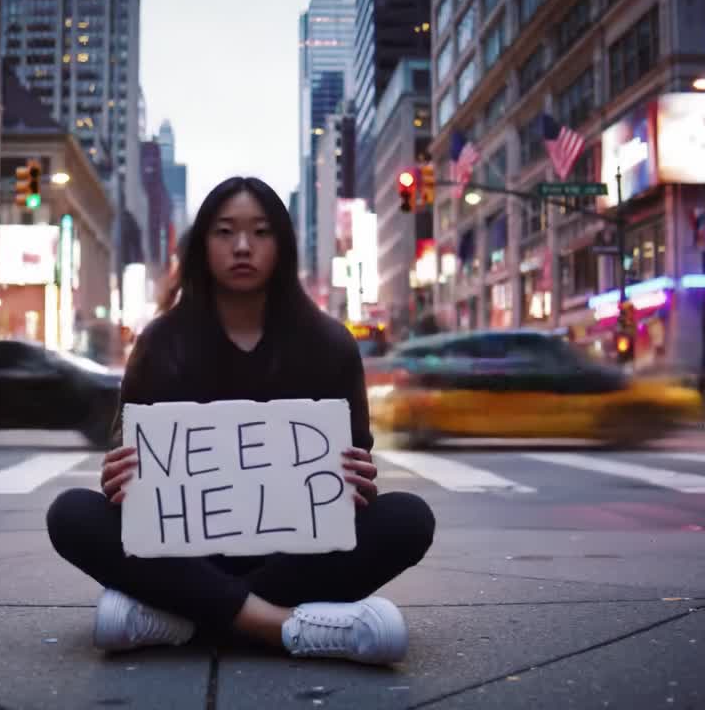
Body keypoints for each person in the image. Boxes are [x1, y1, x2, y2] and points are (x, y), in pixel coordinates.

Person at [46, 177, 435, 666]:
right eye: (225, 232)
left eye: (261, 232)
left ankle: (182, 621)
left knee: (408, 519)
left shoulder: (330, 345)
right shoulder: (160, 344)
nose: (243, 246)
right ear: (203, 246)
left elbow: (355, 473)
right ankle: (282, 627)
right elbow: (125, 463)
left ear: (283, 245)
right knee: (72, 514)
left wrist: (357, 480)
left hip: (297, 556)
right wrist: (118, 479)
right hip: (185, 553)